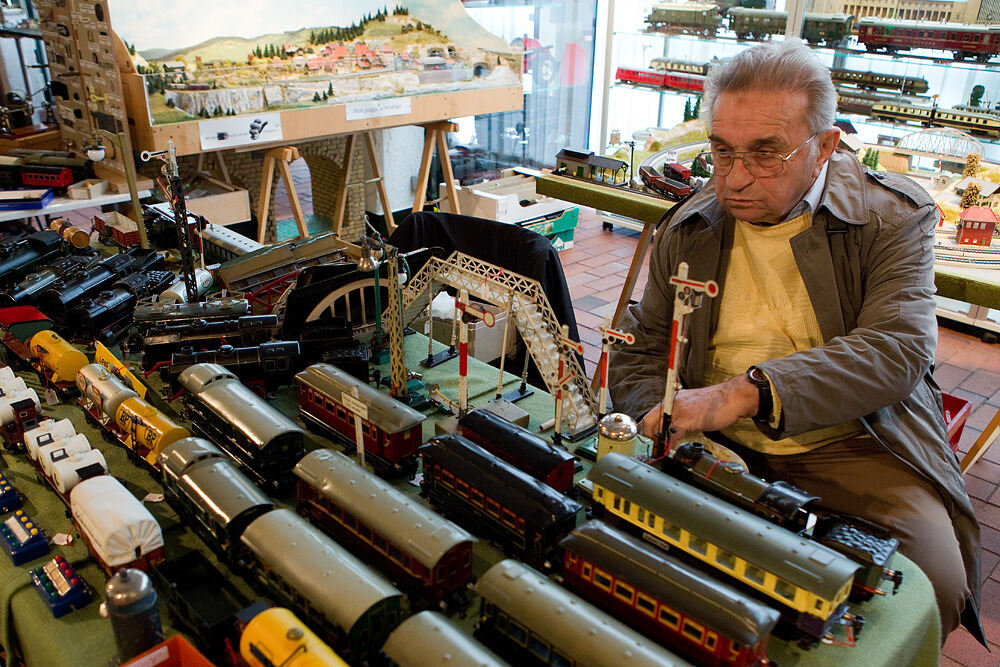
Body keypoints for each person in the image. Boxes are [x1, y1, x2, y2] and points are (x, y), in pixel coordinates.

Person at [608, 38, 984, 644]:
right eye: (721, 151)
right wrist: (657, 413)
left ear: (826, 147)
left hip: (854, 437)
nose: (733, 179)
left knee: (930, 581)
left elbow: (897, 348)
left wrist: (746, 392)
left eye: (766, 153)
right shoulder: (690, 226)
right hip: (712, 437)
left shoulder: (890, 218)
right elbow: (643, 347)